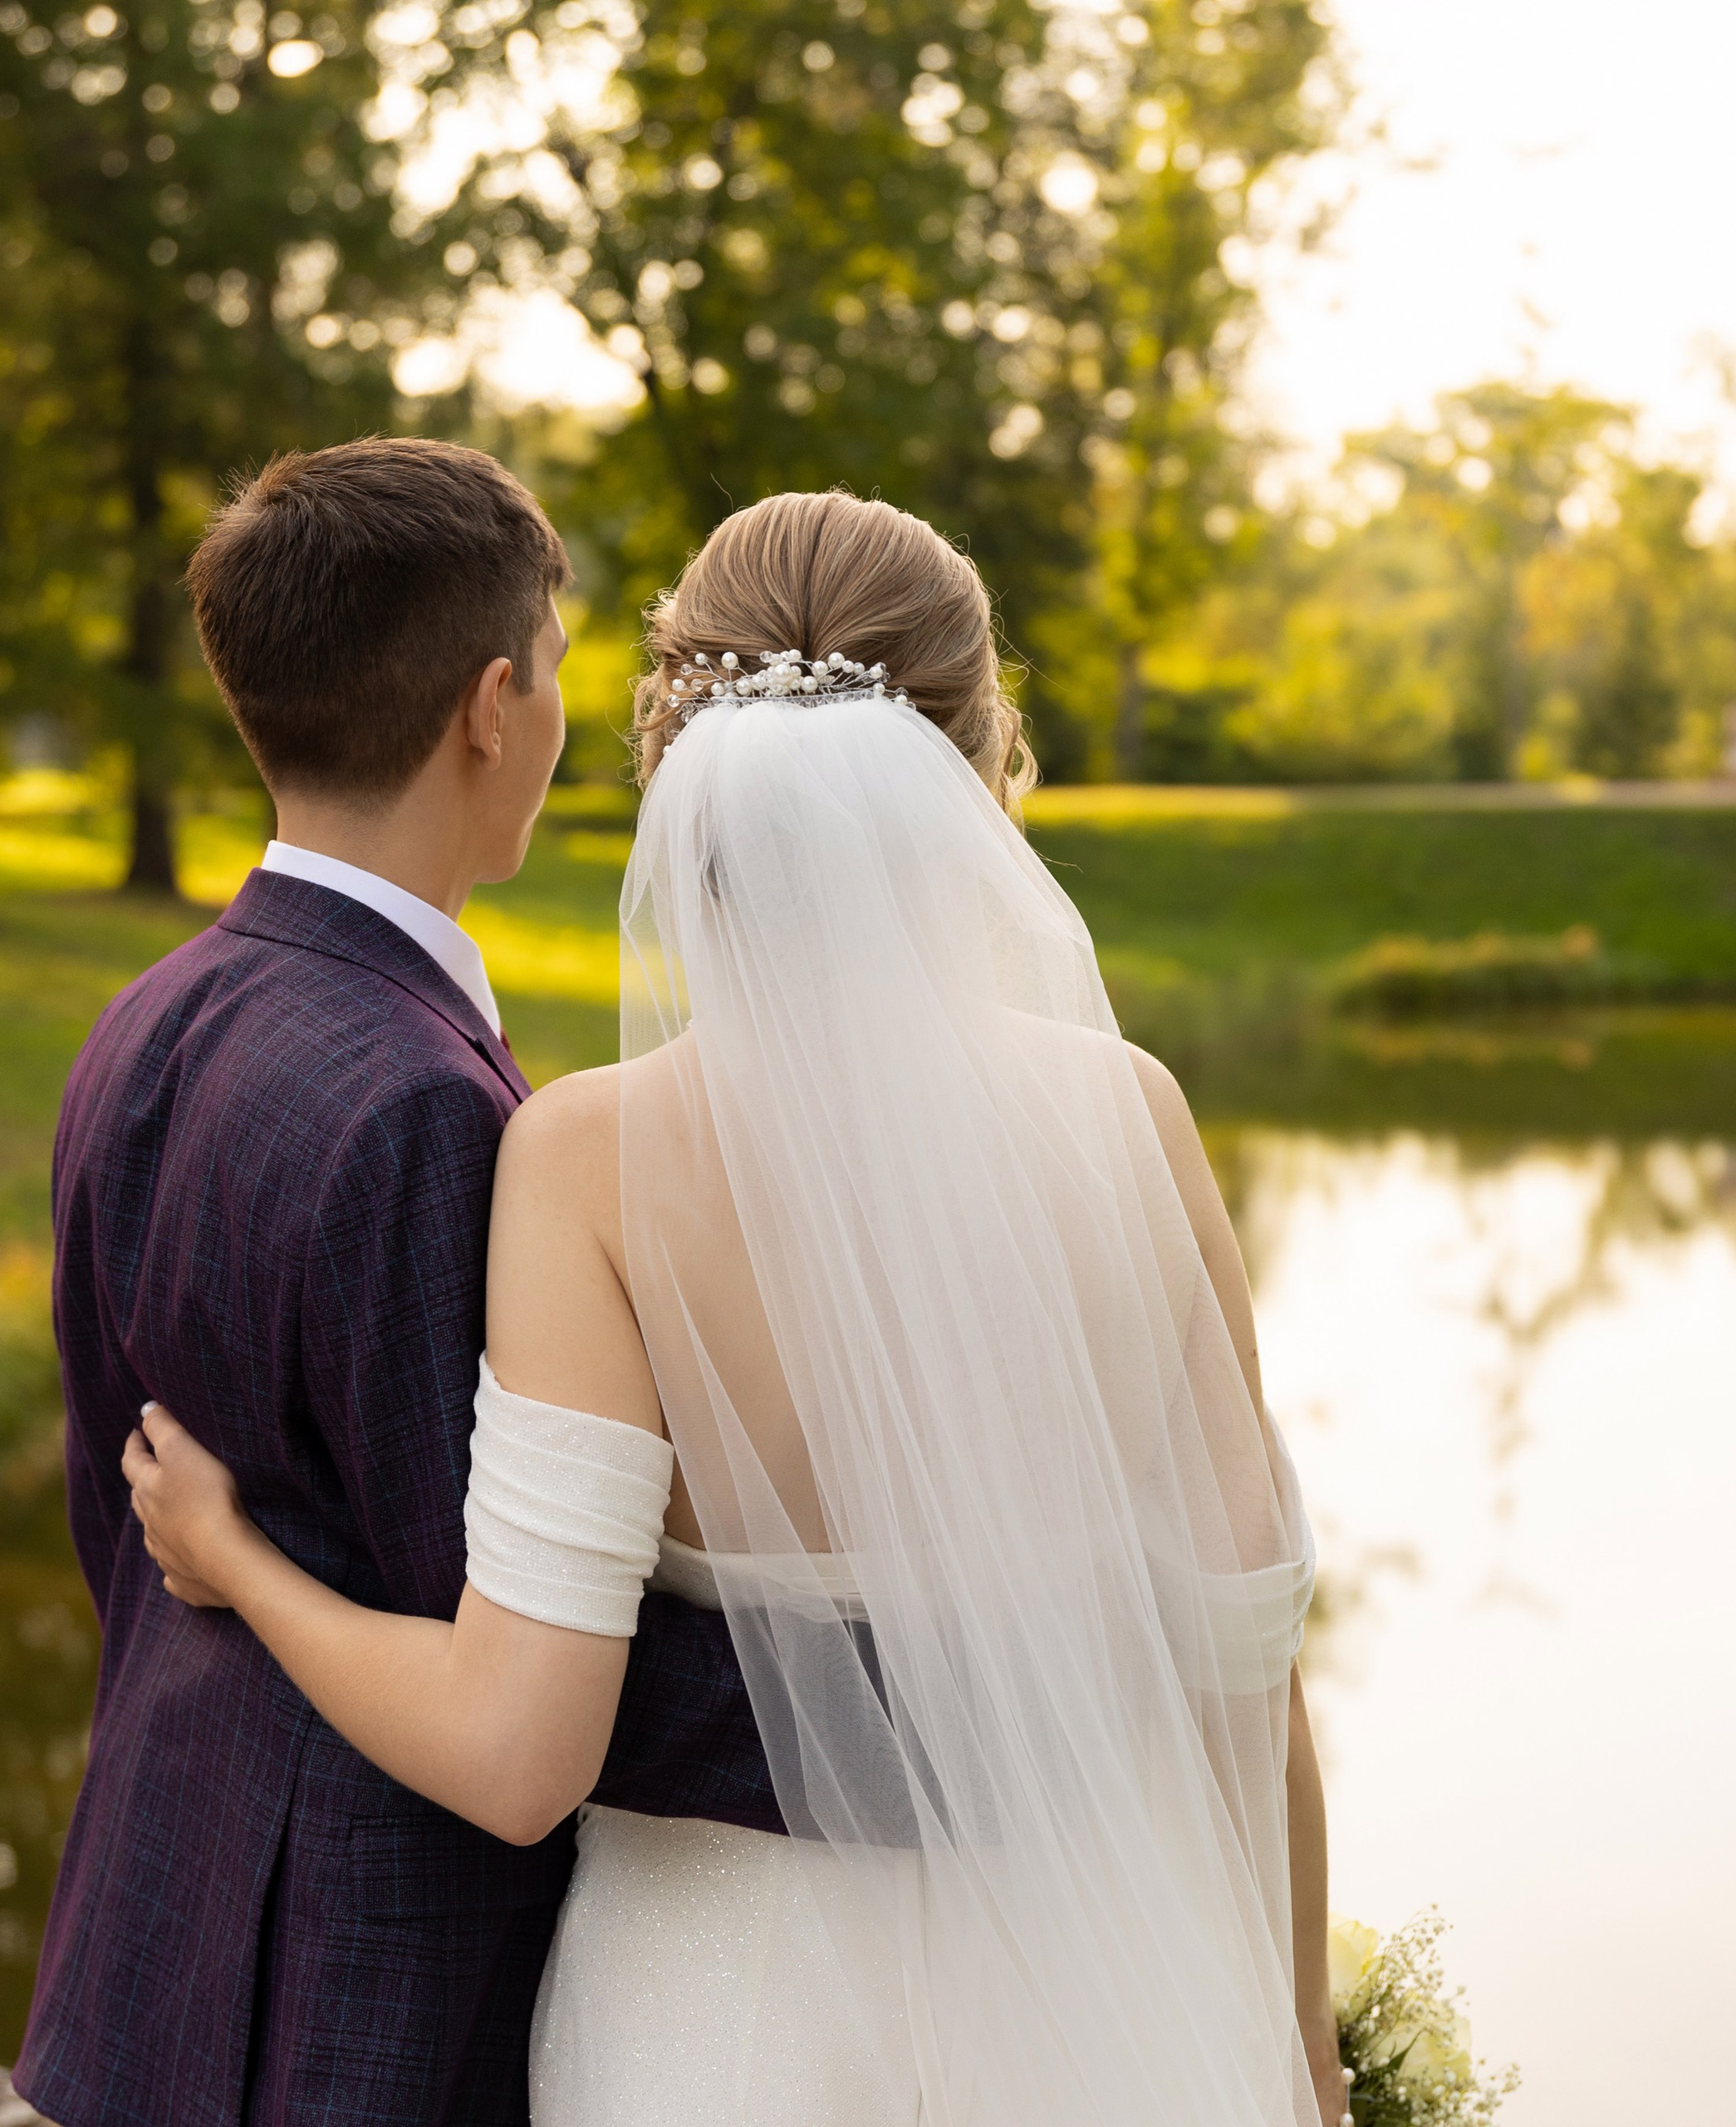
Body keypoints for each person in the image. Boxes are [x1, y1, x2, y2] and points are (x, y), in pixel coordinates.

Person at [119, 491, 1348, 2127]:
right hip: (1098, 2016)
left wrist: (236, 1560)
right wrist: (1298, 2049)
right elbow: (1243, 1684)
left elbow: (514, 1750)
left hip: (714, 2035)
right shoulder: (1130, 1117)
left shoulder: (587, 1162)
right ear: (982, 773)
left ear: (672, 766)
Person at [15, 441, 779, 2127]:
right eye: (567, 672)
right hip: (353, 2004)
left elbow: (115, 1527)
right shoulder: (427, 1109)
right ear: (491, 705)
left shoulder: (139, 1020)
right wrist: (945, 1729)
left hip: (140, 1948)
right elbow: (516, 1644)